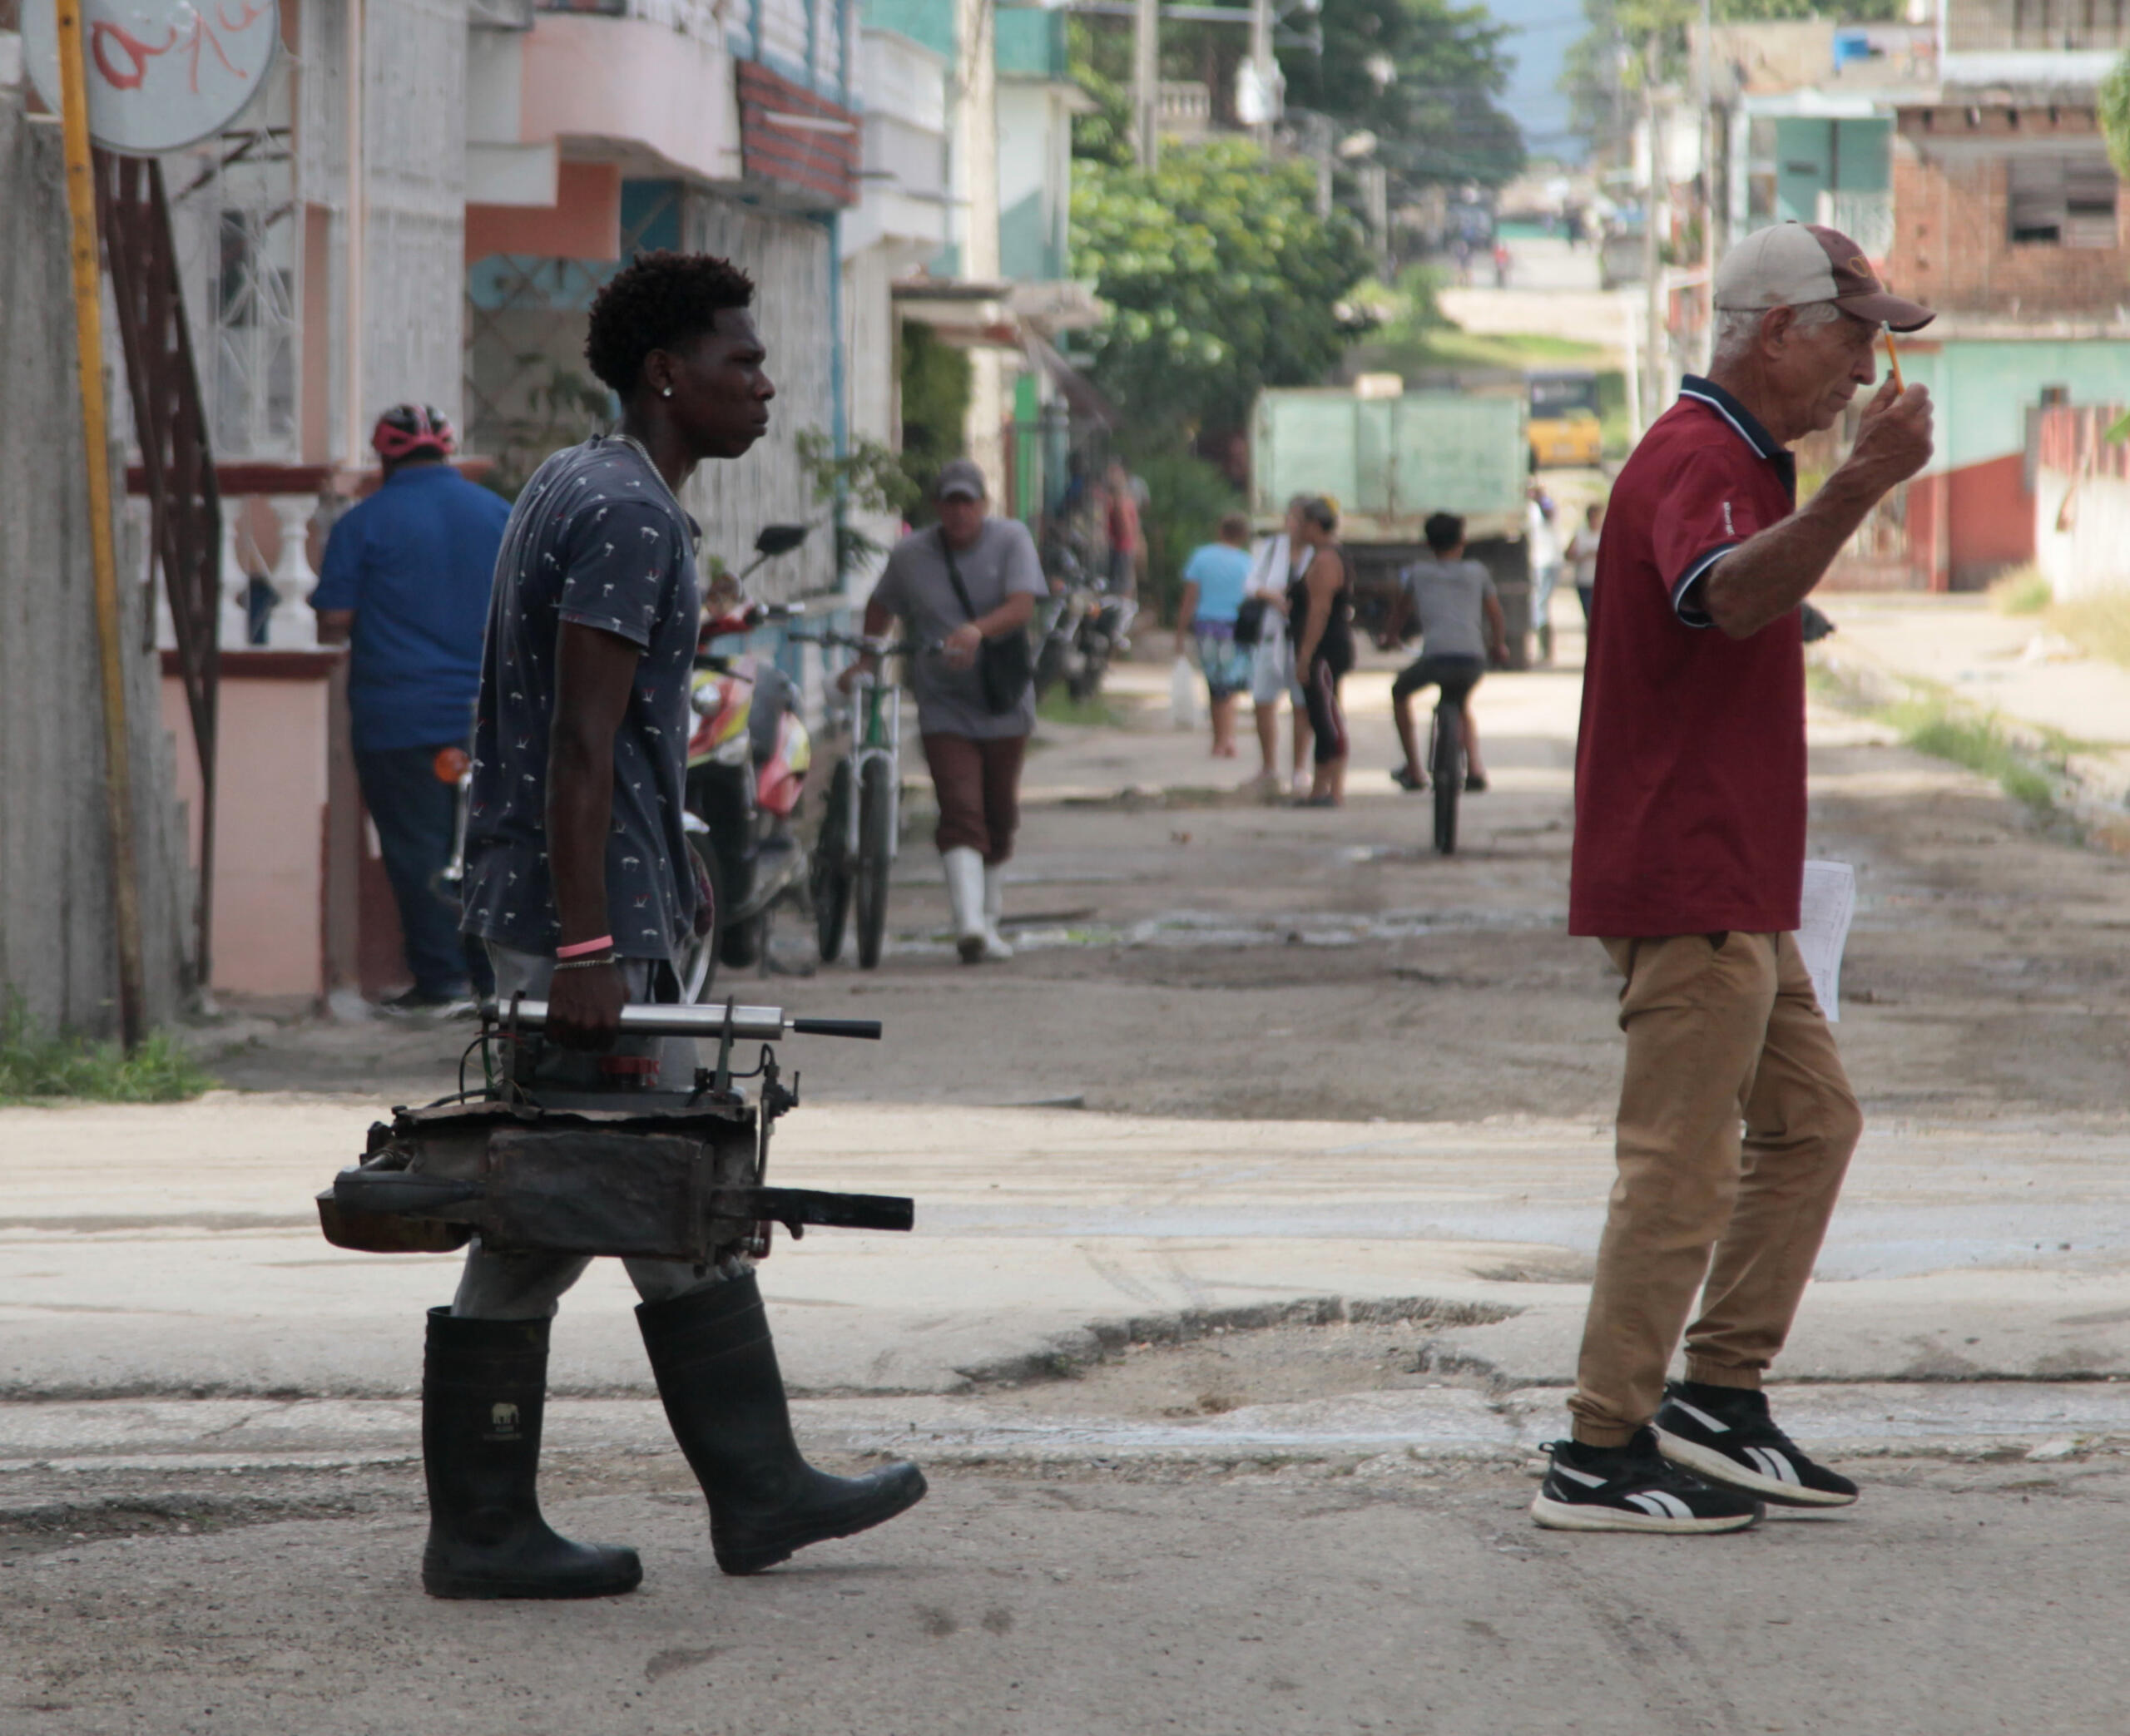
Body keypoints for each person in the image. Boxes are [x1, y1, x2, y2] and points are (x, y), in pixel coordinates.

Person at [440, 250, 926, 1600]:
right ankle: (491, 1525)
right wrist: (592, 949)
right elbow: (581, 747)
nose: (765, 385)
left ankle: (755, 1487)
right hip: (573, 922)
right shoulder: (633, 515)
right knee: (553, 1214)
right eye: (742, 361)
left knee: (648, 1193)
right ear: (669, 372)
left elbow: (598, 725)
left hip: (576, 905)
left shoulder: (581, 479)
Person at [1531, 222, 1934, 1534]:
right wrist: (1859, 487)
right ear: (1777, 330)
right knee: (1679, 1167)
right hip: (1688, 879)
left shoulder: (1746, 459)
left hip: (1740, 880)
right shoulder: (1700, 455)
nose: (1867, 371)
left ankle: (1716, 1395)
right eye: (1856, 334)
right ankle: (1597, 1447)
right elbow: (1725, 597)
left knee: (1813, 1122)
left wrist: (1829, 494)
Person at [312, 405, 509, 1012]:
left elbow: (332, 623)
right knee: (491, 848)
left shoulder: (363, 522)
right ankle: (492, 981)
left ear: (385, 457)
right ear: (447, 451)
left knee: (417, 849)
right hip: (490, 719)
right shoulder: (502, 515)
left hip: (399, 718)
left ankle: (442, 982)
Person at [847, 457, 1044, 964]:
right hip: (944, 704)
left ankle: (990, 920)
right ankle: (969, 926)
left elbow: (1024, 604)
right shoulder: (912, 554)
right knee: (960, 809)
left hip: (1003, 699)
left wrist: (979, 629)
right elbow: (880, 604)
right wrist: (867, 657)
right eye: (950, 503)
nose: (960, 513)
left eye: (968, 502)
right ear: (937, 508)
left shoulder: (1012, 539)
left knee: (1000, 813)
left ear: (984, 505)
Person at [1380, 512, 1506, 794]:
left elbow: (1399, 613)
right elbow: (1496, 615)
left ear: (1428, 544)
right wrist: (1498, 646)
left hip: (1435, 659)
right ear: (1462, 541)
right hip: (1472, 660)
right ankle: (1475, 768)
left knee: (1400, 692)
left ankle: (1413, 769)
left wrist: (1390, 638)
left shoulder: (1418, 573)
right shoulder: (1477, 572)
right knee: (1460, 703)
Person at [1243, 495, 1314, 796]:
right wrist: (1272, 596)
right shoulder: (1272, 548)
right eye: (1290, 517)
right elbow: (1250, 583)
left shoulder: (1318, 553)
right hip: (1272, 633)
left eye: (1298, 518)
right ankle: (1269, 767)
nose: (1292, 524)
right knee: (1263, 699)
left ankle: (1300, 769)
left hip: (1303, 637)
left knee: (1302, 704)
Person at [1288, 497, 1354, 808]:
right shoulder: (1321, 557)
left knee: (1327, 719)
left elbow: (1319, 611)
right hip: (1324, 649)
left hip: (1325, 650)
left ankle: (1333, 788)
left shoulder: (1326, 561)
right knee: (1320, 715)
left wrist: (1306, 655)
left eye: (1300, 524)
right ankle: (1321, 787)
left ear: (1314, 526)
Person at [1174, 512, 1254, 759]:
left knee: (1214, 685)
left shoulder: (1201, 558)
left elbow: (1190, 598)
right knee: (1230, 685)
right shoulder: (1247, 562)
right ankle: (1229, 739)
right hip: (1235, 629)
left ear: (1220, 531)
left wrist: (1179, 632)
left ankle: (1219, 739)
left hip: (1206, 627)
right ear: (1242, 536)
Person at [1525, 482, 1563, 665]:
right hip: (1538, 560)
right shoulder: (1530, 509)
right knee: (1538, 604)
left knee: (1540, 604)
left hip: (1548, 561)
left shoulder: (1546, 504)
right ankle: (1543, 648)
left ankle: (1545, 649)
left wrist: (1541, 499)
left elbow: (1549, 511)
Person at [1104, 459, 1141, 599]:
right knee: (1126, 583)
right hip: (1126, 548)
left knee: (1121, 586)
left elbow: (1125, 529)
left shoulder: (1120, 503)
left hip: (1121, 548)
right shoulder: (1128, 500)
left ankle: (1123, 613)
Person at [1566, 499, 1602, 624]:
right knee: (1589, 615)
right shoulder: (1581, 534)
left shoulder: (1603, 534)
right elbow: (1568, 555)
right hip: (1584, 580)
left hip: (1600, 581)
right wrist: (1584, 556)